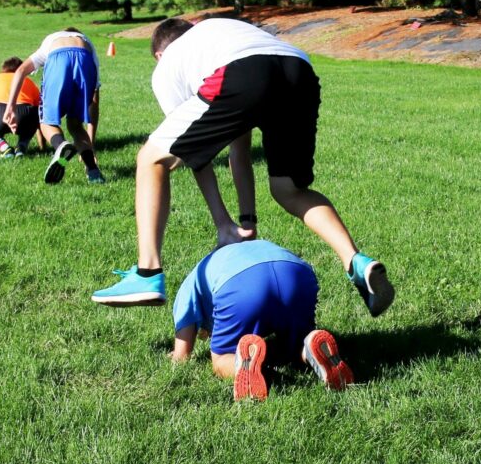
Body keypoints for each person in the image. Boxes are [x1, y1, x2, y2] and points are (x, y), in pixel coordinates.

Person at [91, 17, 394, 318]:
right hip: (298, 70)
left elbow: (195, 155)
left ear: (159, 55)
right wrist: (246, 222)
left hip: (241, 71)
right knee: (288, 189)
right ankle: (355, 261)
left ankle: (147, 272)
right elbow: (240, 148)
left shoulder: (167, 67)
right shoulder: (218, 34)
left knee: (150, 159)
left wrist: (223, 223)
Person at [149, 239, 355, 401]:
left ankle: (245, 367)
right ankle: (309, 348)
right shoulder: (227, 257)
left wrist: (177, 354)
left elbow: (182, 355)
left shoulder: (191, 282)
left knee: (221, 358)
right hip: (296, 272)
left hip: (240, 285)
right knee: (293, 343)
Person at [3, 27, 104, 184]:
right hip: (86, 60)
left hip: (58, 57)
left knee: (46, 122)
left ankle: (60, 145)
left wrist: (10, 106)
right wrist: (91, 142)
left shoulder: (52, 39)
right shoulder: (87, 42)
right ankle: (93, 172)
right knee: (76, 126)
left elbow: (21, 70)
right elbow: (94, 99)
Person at [0, 57, 41, 158]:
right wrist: (42, 146)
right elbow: (40, 114)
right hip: (26, 114)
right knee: (34, 116)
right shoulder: (28, 81)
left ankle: (2, 146)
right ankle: (22, 146)